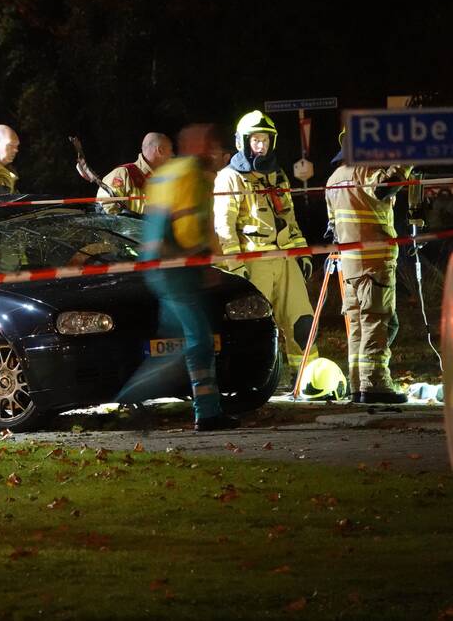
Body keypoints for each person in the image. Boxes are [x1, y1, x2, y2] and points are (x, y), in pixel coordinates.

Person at [137, 124, 239, 431]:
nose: (213, 150)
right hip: (175, 269)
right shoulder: (191, 176)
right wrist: (205, 260)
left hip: (164, 267)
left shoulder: (170, 172)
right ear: (194, 145)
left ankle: (199, 408)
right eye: (209, 144)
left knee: (179, 342)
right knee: (199, 340)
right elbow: (189, 227)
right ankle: (205, 413)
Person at [213, 110, 317, 378]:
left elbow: (288, 218)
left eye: (265, 141)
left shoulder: (277, 175)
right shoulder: (230, 177)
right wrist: (235, 269)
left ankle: (308, 377)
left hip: (284, 259)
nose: (261, 146)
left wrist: (302, 253)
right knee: (254, 325)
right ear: (243, 142)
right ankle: (255, 378)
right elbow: (225, 227)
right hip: (253, 263)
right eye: (255, 141)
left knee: (302, 320)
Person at [326, 134, 413, 404]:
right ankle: (375, 383)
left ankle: (357, 384)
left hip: (350, 264)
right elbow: (384, 187)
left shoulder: (333, 179)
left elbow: (332, 228)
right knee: (377, 321)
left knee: (357, 326)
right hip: (375, 261)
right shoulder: (366, 170)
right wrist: (405, 162)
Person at [97, 132, 174, 214]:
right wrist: (129, 224)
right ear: (160, 150)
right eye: (170, 150)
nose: (172, 155)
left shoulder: (166, 178)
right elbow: (105, 207)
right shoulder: (124, 173)